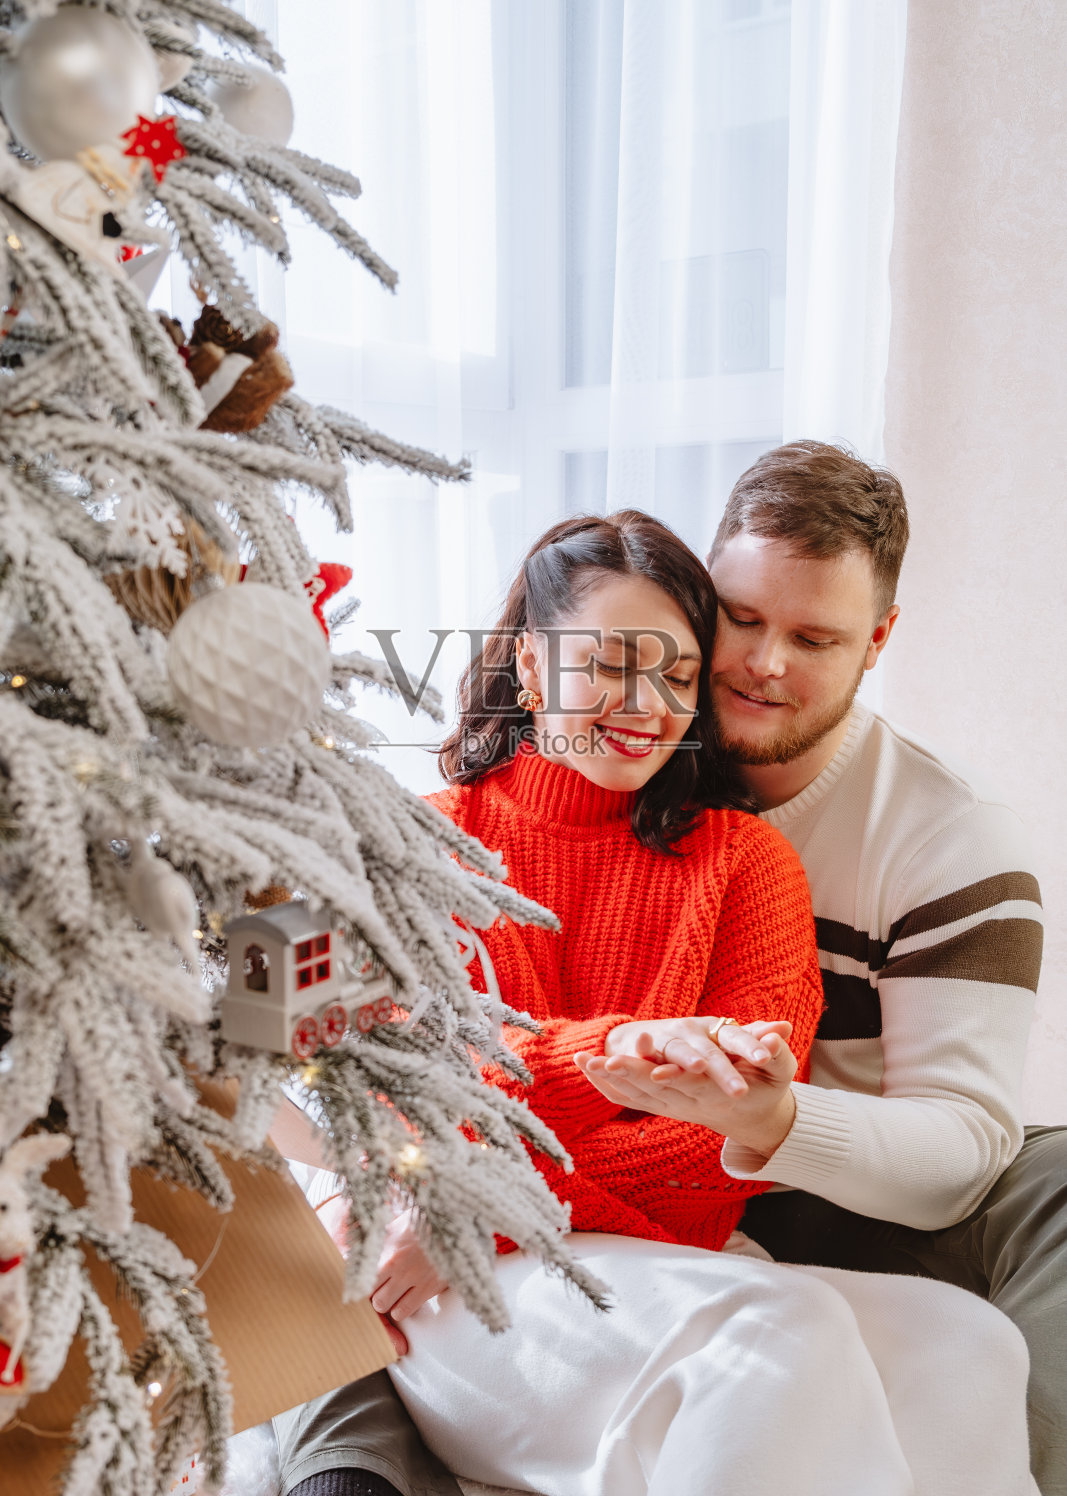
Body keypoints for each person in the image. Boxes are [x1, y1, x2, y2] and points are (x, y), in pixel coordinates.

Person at [274, 510, 1036, 1496]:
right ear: (528, 663)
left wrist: (509, 1187)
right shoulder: (411, 846)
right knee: (771, 1335)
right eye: (610, 664)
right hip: (446, 1269)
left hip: (633, 1245)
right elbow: (376, 1093)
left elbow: (715, 1147)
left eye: (677, 676)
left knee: (963, 1342)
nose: (645, 706)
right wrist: (614, 1061)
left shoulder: (741, 860)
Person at [577, 441, 1065, 1496]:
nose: (763, 663)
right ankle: (347, 1465)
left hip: (839, 1179)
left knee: (1053, 1171)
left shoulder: (950, 837)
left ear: (877, 640)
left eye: (813, 637)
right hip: (620, 1165)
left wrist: (774, 1123)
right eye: (741, 619)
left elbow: (964, 1144)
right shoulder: (619, 748)